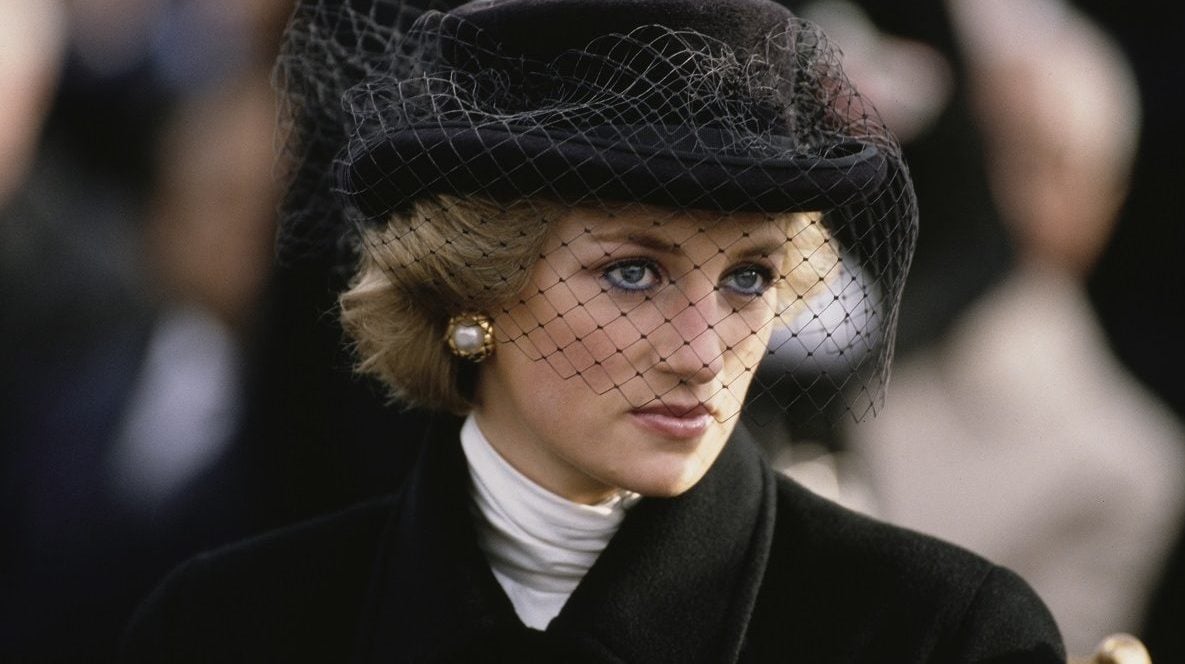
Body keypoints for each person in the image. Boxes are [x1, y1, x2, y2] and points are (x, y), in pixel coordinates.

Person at [121, 0, 1065, 661]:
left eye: (748, 277)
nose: (702, 351)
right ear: (469, 292)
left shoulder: (937, 636)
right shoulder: (227, 626)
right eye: (632, 273)